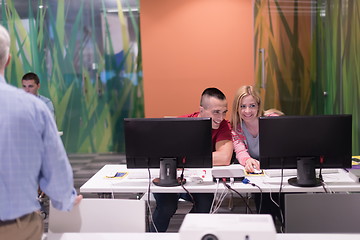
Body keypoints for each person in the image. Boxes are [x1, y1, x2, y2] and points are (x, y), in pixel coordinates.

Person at [0, 24, 82, 240]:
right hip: (14, 226)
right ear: (7, 60)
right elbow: (54, 167)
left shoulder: (42, 104)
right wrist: (65, 198)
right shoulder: (32, 108)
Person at [151, 87, 233, 232]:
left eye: (224, 112)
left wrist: (183, 158)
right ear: (201, 110)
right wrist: (199, 158)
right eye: (216, 112)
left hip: (199, 179)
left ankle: (187, 234)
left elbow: (224, 157)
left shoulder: (223, 126)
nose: (221, 118)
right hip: (172, 176)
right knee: (167, 207)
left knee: (205, 205)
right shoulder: (181, 124)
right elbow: (161, 155)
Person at [230, 85, 284, 225]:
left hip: (278, 172)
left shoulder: (272, 120)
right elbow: (240, 151)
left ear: (259, 105)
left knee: (283, 202)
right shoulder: (236, 127)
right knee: (264, 199)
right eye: (243, 106)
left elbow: (285, 146)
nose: (247, 111)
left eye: (252, 105)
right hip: (259, 175)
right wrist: (247, 160)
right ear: (237, 108)